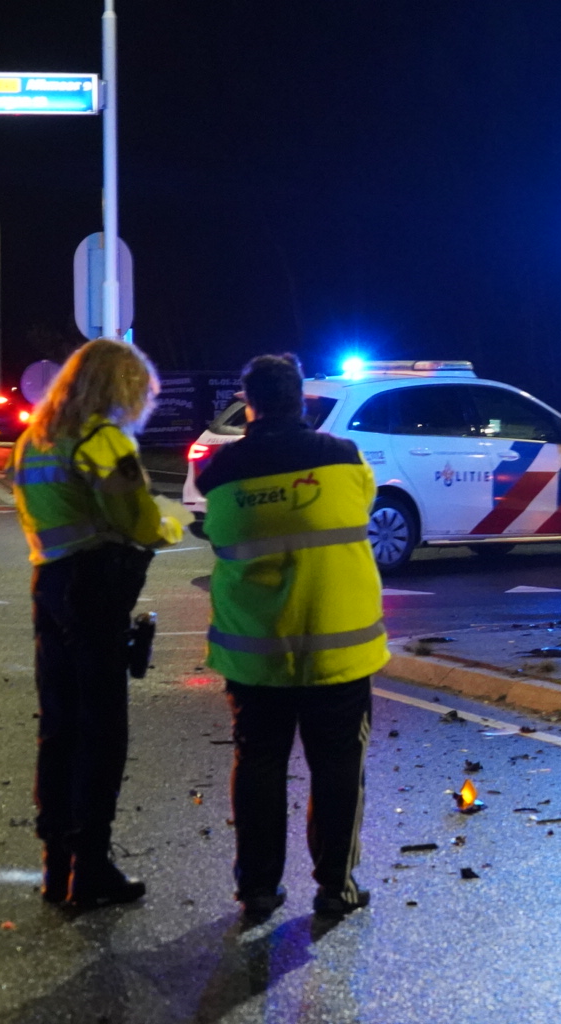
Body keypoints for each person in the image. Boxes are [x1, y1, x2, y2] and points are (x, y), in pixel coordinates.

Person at [198, 354, 389, 921]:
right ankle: (336, 887)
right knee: (337, 769)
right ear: (301, 399)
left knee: (258, 768)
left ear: (248, 403)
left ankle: (257, 887)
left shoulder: (223, 473)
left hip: (256, 655)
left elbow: (214, 529)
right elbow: (363, 505)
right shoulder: (345, 461)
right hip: (338, 653)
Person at [11, 338, 183, 908]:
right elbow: (136, 520)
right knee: (102, 732)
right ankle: (91, 868)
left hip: (50, 589)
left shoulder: (33, 441)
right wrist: (170, 527)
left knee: (58, 728)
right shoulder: (102, 440)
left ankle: (55, 863)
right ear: (120, 389)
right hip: (95, 592)